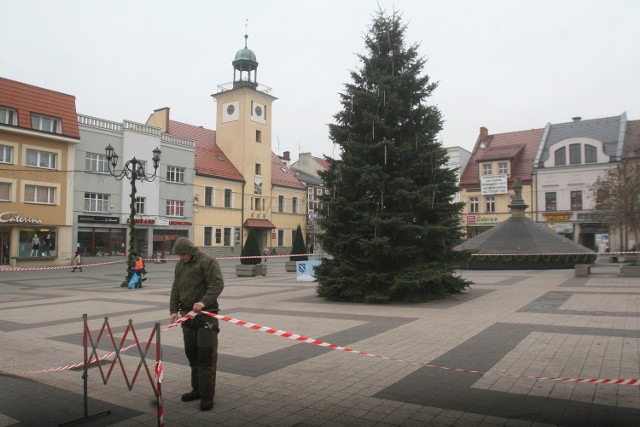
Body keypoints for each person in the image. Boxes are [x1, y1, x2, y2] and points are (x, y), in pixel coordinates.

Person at [169, 237, 224, 411]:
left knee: (205, 357)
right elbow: (176, 287)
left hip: (206, 316)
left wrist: (204, 302)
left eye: (183, 254)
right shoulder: (180, 265)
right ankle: (197, 390)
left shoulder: (207, 261)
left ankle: (207, 396)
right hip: (187, 316)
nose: (181, 258)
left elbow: (217, 284)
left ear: (190, 251)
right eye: (179, 255)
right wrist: (173, 310)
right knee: (192, 355)